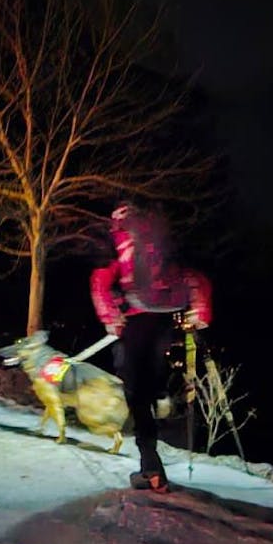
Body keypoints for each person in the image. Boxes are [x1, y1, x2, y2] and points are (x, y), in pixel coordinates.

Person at [90, 200, 189, 493]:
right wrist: (198, 312)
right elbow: (185, 276)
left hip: (134, 321)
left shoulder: (117, 243)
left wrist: (111, 317)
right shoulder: (158, 239)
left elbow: (100, 282)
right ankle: (162, 395)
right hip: (163, 321)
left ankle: (151, 468)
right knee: (152, 380)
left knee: (135, 395)